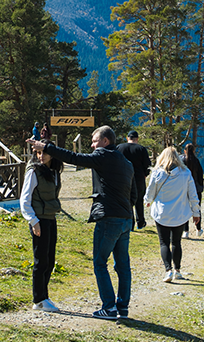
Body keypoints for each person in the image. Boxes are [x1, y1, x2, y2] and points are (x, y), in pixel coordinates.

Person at [32, 125, 133, 320]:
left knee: (100, 263)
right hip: (126, 218)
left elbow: (74, 158)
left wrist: (46, 147)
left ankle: (109, 307)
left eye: (95, 141)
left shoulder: (103, 155)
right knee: (122, 265)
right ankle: (123, 307)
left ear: (105, 141)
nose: (93, 145)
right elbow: (133, 190)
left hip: (108, 217)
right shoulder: (125, 162)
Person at [145, 146, 201, 282]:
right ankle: (177, 270)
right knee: (176, 242)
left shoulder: (157, 173)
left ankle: (168, 270)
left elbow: (150, 191)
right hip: (180, 214)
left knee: (164, 242)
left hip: (161, 213)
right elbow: (193, 195)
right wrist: (196, 212)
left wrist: (147, 201)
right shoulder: (186, 173)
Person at [20, 147, 64, 312]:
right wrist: (33, 221)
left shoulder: (53, 172)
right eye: (38, 153)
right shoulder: (33, 172)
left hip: (50, 218)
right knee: (41, 260)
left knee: (50, 259)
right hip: (39, 219)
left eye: (44, 152)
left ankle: (44, 296)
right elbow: (25, 198)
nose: (41, 156)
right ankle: (38, 299)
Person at [119, 130, 152, 229]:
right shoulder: (141, 149)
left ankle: (130, 222)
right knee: (139, 201)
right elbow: (147, 165)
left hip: (123, 178)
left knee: (127, 200)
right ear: (137, 139)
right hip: (138, 178)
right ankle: (140, 222)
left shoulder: (120, 147)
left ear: (127, 138)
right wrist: (145, 174)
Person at [183, 141, 204, 234]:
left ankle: (186, 231)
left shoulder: (183, 161)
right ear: (194, 151)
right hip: (196, 189)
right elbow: (200, 175)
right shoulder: (196, 161)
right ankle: (198, 229)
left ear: (185, 151)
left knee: (185, 208)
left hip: (185, 188)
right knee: (197, 207)